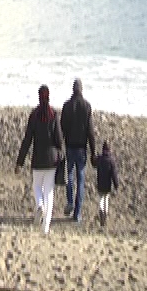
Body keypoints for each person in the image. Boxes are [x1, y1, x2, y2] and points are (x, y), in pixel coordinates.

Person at [15, 84, 64, 235]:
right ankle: (46, 228)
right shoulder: (54, 115)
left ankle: (39, 205)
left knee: (37, 186)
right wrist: (61, 151)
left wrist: (20, 162)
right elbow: (59, 138)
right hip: (52, 161)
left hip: (38, 160)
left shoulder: (34, 115)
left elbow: (27, 139)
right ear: (48, 97)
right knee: (49, 191)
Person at [60, 78, 97, 223]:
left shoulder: (67, 106)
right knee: (81, 179)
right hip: (82, 148)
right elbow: (90, 132)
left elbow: (61, 129)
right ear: (81, 89)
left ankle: (69, 200)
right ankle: (77, 214)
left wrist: (58, 145)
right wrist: (93, 152)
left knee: (69, 175)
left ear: (72, 89)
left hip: (69, 146)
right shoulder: (86, 106)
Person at [95, 140, 119, 227]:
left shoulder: (100, 159)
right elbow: (114, 174)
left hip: (100, 183)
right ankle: (105, 215)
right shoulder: (111, 161)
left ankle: (101, 214)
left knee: (101, 199)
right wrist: (116, 185)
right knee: (106, 200)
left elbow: (94, 163)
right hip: (108, 185)